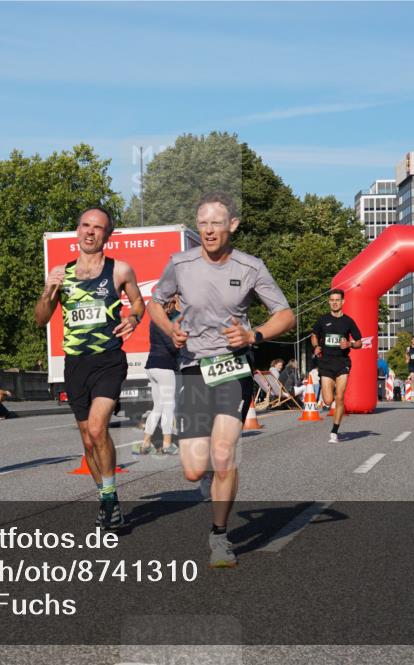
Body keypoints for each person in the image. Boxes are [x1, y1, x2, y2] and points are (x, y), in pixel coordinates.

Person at [148, 191, 295, 569]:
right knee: (194, 469)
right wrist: (170, 329)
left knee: (225, 453)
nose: (209, 230)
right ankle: (208, 475)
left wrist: (253, 335)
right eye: (203, 223)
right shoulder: (180, 264)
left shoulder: (251, 267)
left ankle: (219, 535)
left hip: (233, 367)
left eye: (216, 222)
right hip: (193, 367)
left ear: (233, 224)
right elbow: (154, 302)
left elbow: (285, 314)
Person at [35, 207, 144, 530]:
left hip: (108, 360)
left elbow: (138, 302)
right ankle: (106, 499)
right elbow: (41, 318)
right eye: (85, 225)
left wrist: (133, 318)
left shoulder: (119, 270)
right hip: (75, 364)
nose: (90, 232)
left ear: (107, 235)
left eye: (97, 228)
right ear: (77, 229)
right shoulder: (61, 273)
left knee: (97, 429)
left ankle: (109, 500)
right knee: (87, 439)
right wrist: (48, 290)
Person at [310, 288, 363, 443]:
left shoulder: (348, 321)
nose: (334, 303)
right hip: (326, 363)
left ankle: (334, 431)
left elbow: (359, 342)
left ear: (342, 302)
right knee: (327, 400)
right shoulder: (322, 320)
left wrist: (350, 344)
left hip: (342, 362)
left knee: (340, 396)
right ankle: (330, 392)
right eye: (332, 300)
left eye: (337, 300)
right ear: (329, 302)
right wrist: (316, 346)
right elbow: (314, 335)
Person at [137, 296, 180, 456]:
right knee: (169, 406)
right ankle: (167, 444)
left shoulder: (154, 320)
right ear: (167, 304)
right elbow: (172, 345)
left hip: (152, 366)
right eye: (173, 303)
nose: (175, 305)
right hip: (164, 367)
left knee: (157, 407)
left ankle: (146, 443)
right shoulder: (164, 322)